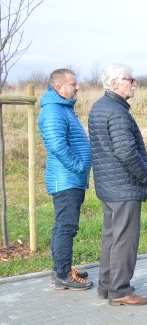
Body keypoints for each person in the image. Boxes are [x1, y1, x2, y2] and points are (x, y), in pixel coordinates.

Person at [88, 64, 147, 306]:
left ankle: (106, 286)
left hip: (108, 185)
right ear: (114, 83)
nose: (134, 83)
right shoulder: (116, 111)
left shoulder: (99, 107)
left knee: (112, 237)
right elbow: (125, 152)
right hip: (123, 186)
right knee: (125, 240)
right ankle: (121, 291)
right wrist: (144, 175)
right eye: (129, 79)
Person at [38, 68, 93, 290]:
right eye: (73, 84)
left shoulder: (63, 108)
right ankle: (62, 275)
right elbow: (57, 145)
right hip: (66, 179)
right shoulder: (53, 111)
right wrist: (79, 166)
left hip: (71, 178)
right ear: (59, 87)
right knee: (66, 226)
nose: (77, 87)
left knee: (64, 225)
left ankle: (60, 268)